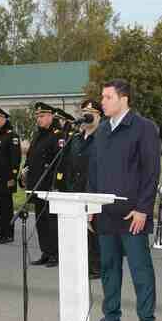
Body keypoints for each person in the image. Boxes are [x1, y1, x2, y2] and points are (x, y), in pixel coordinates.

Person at [88, 79, 160, 321]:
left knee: (140, 271)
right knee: (108, 269)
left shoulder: (144, 128)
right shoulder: (102, 130)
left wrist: (143, 209)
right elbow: (94, 172)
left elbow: (151, 172)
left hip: (132, 215)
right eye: (102, 97)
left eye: (107, 97)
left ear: (124, 99)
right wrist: (90, 206)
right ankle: (112, 317)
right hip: (106, 214)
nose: (102, 102)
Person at [63, 100, 104, 279]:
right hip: (76, 191)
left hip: (95, 192)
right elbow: (70, 165)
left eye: (92, 113)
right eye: (84, 112)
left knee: (94, 233)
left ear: (99, 116)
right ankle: (83, 265)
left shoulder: (103, 138)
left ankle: (97, 268)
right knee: (79, 233)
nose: (87, 116)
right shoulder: (76, 138)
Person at [22, 102, 62, 267]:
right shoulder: (38, 134)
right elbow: (31, 157)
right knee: (41, 222)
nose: (39, 119)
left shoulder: (57, 135)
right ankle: (46, 251)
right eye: (37, 116)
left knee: (52, 222)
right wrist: (24, 173)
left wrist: (56, 184)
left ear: (51, 116)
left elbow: (60, 162)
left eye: (42, 116)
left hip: (49, 186)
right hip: (36, 185)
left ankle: (56, 253)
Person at [0, 107, 21, 244]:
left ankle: (9, 233)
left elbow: (15, 158)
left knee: (6, 208)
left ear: (4, 119)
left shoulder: (11, 135)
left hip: (6, 177)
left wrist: (12, 177)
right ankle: (2, 232)